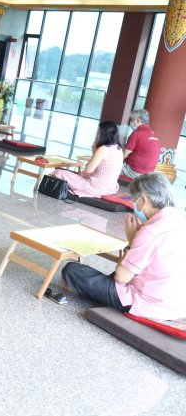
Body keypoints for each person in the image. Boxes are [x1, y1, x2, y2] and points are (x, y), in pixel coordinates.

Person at [61, 173, 186, 320]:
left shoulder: (151, 232)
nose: (134, 204)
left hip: (147, 304)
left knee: (72, 271)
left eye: (134, 200)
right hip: (177, 304)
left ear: (143, 200)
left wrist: (132, 242)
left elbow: (121, 277)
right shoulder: (179, 220)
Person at [51, 121, 123, 198]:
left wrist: (94, 152)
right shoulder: (118, 149)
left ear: (104, 134)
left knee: (59, 172)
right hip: (110, 188)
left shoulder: (103, 149)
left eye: (99, 133)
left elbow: (88, 169)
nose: (98, 136)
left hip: (96, 188)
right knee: (82, 173)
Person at [122, 109, 160, 178]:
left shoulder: (136, 133)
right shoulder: (153, 133)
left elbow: (125, 154)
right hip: (149, 172)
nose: (131, 122)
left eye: (132, 120)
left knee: (108, 166)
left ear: (138, 120)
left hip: (134, 170)